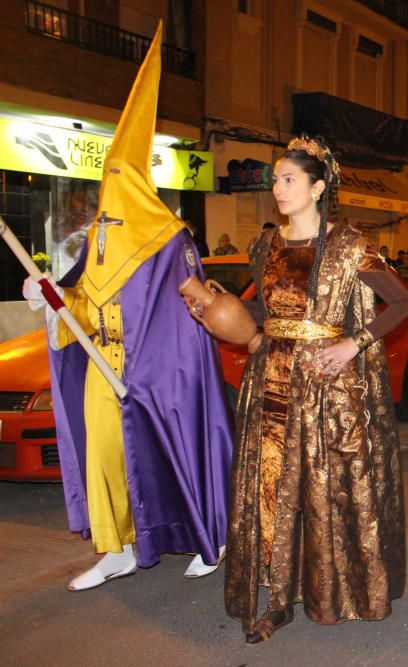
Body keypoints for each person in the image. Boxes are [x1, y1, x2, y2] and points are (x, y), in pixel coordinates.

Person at [22, 23, 230, 591]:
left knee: (175, 456)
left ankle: (208, 537)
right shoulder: (95, 245)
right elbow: (83, 310)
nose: (107, 189)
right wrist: (52, 299)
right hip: (102, 370)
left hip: (160, 377)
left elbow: (190, 321)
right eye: (104, 178)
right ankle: (115, 548)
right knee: (108, 463)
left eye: (118, 177)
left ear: (135, 186)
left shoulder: (171, 244)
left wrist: (150, 369)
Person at [220, 134, 408, 644]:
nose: (278, 188)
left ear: (317, 186)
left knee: (321, 492)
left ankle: (326, 589)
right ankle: (278, 598)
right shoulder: (266, 246)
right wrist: (228, 316)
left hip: (327, 391)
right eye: (277, 180)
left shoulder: (351, 247)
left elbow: (401, 305)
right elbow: (263, 312)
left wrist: (355, 343)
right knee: (273, 492)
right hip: (272, 384)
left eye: (288, 180)